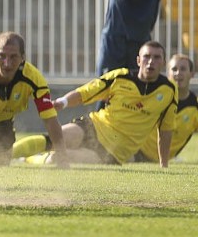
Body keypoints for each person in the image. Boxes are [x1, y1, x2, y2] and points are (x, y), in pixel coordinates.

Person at [15, 41, 178, 167]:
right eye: (147, 56)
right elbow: (87, 92)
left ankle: (28, 159)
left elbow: (165, 130)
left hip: (111, 152)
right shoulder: (120, 77)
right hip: (93, 127)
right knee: (54, 140)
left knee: (56, 159)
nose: (151, 62)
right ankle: (4, 154)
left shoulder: (168, 91)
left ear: (163, 62)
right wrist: (62, 102)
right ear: (138, 60)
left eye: (156, 57)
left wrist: (163, 165)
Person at [83, 0, 181, 111]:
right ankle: (94, 137)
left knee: (135, 92)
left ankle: (129, 134)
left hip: (140, 42)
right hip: (113, 38)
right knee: (104, 90)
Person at [0, 32, 68, 167]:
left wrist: (62, 157)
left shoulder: (33, 78)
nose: (7, 64)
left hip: (1, 122)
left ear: (23, 58)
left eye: (13, 57)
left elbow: (50, 118)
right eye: (2, 56)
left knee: (0, 165)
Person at [135, 53, 197, 163]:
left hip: (163, 160)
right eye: (174, 69)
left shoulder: (195, 106)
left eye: (183, 69)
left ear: (192, 74)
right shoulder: (154, 95)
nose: (178, 73)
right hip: (136, 152)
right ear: (168, 73)